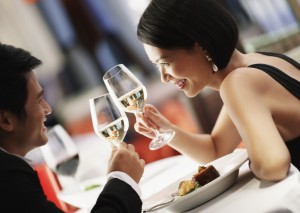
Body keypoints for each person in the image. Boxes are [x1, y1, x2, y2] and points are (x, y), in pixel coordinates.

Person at [135, 0, 300, 182]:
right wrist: (168, 130)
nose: (163, 77)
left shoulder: (238, 83)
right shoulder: (257, 62)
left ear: (202, 45)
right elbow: (216, 149)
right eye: (157, 66)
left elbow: (273, 167)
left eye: (165, 63)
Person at [0, 43, 145, 213]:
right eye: (39, 101)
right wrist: (123, 179)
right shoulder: (8, 177)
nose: (48, 109)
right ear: (5, 120)